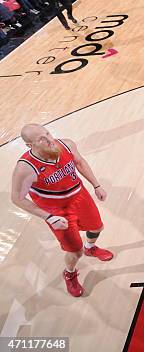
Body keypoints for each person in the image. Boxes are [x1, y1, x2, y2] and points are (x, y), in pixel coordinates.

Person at [10, 124, 113, 298]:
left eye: (48, 133)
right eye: (41, 139)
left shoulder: (66, 145)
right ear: (30, 146)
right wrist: (48, 217)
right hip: (57, 210)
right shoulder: (25, 168)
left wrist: (96, 185)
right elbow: (17, 199)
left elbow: (79, 162)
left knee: (96, 227)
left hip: (79, 196)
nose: (49, 139)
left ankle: (91, 248)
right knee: (75, 251)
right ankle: (69, 273)